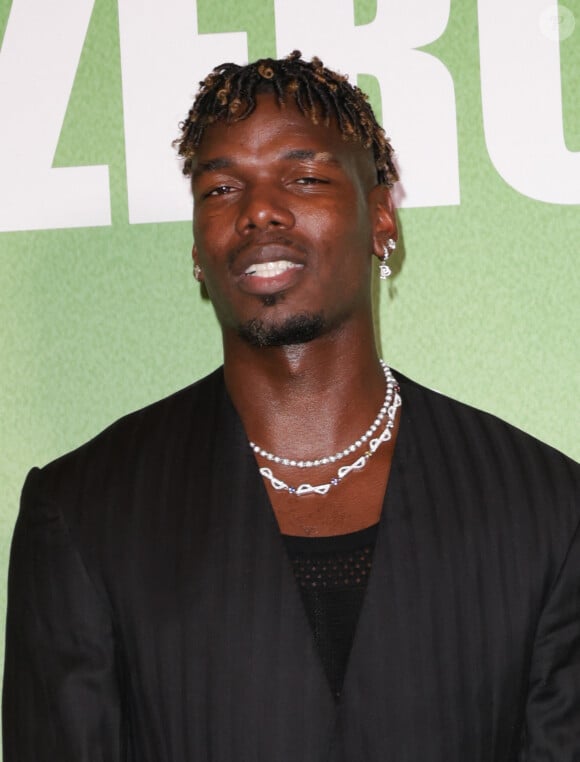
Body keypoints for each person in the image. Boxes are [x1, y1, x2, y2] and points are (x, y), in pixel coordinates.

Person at [3, 51, 579, 761]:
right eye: (220, 189)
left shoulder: (546, 508)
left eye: (304, 177)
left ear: (382, 217)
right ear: (195, 247)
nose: (259, 211)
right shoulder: (83, 513)